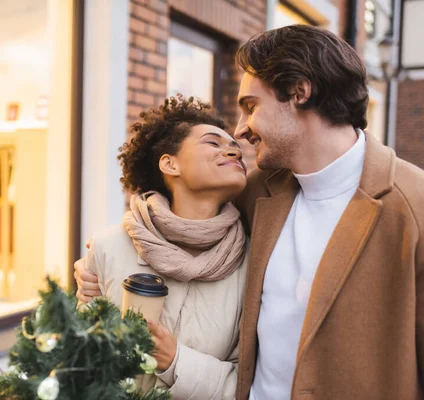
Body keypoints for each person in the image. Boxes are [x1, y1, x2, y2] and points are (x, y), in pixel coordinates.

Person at [76, 25, 424, 400]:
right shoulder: (255, 192)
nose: (241, 131)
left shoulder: (413, 205)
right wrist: (101, 265)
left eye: (250, 106)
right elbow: (183, 232)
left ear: (299, 92)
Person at [81, 95, 248, 399]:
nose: (233, 150)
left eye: (234, 147)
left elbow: (248, 383)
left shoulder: (252, 262)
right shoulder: (108, 246)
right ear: (170, 164)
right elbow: (78, 359)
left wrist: (175, 361)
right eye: (213, 143)